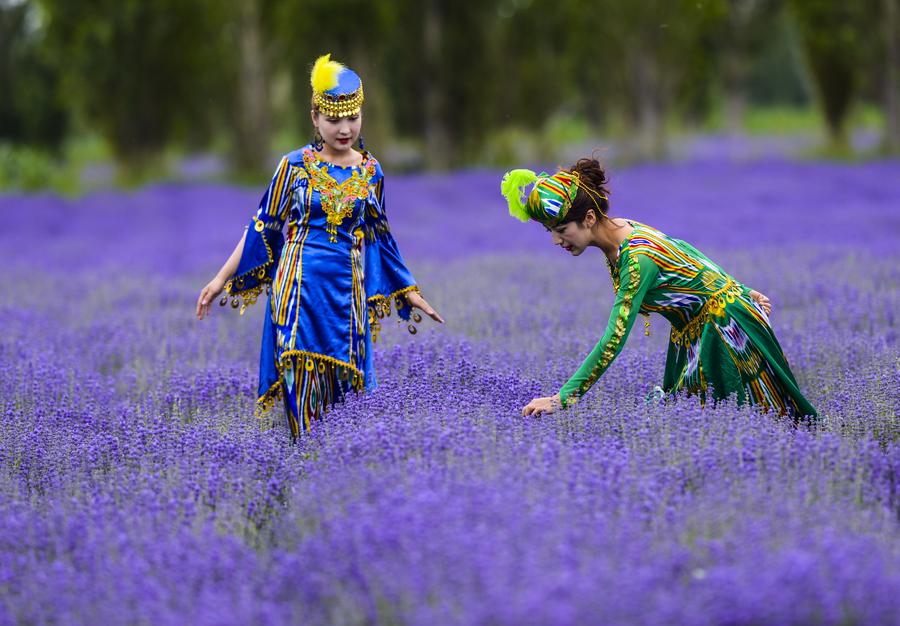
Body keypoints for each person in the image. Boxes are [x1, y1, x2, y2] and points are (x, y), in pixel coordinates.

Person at [197, 53, 443, 439]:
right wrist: (218, 280)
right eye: (334, 120)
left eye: (353, 118)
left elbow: (380, 237)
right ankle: (305, 461)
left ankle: (340, 476)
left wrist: (407, 290)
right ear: (314, 117)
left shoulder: (371, 171)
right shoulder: (292, 167)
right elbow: (261, 226)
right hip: (297, 292)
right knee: (301, 385)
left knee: (348, 395)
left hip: (348, 295)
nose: (345, 129)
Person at [501, 158, 817, 420]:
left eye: (561, 230)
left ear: (589, 217)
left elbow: (614, 338)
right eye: (550, 232)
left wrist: (563, 398)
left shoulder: (637, 259)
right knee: (702, 421)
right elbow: (687, 252)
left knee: (758, 420)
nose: (556, 241)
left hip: (723, 328)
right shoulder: (620, 231)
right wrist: (740, 289)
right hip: (696, 330)